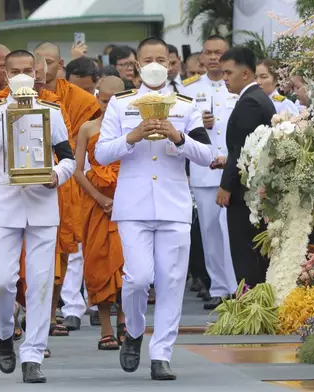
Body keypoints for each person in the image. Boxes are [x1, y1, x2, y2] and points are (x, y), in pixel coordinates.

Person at [95, 37, 213, 380]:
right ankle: (133, 331)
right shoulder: (120, 105)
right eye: (148, 59)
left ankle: (161, 353)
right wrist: (132, 137)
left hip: (173, 205)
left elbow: (205, 155)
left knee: (171, 281)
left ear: (171, 63)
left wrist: (178, 137)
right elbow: (101, 154)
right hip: (133, 205)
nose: (155, 64)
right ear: (136, 65)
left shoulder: (186, 105)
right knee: (137, 279)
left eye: (161, 58)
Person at [0, 50, 75, 383]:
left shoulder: (52, 111)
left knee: (41, 285)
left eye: (28, 71)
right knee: (0, 281)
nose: (22, 76)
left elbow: (69, 158)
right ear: (4, 73)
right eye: (15, 71)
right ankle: (3, 334)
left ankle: (32, 355)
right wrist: (9, 120)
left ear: (37, 73)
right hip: (5, 206)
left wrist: (56, 175)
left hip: (43, 205)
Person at [35, 41, 102, 334]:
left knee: (63, 251)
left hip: (65, 180)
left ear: (60, 65)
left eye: (50, 62)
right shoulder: (10, 98)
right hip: (23, 180)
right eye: (39, 62)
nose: (44, 68)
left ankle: (50, 314)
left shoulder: (78, 99)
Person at [180, 35, 238, 310]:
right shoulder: (189, 88)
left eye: (219, 52)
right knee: (210, 231)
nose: (213, 58)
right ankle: (218, 287)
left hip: (233, 168)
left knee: (234, 231)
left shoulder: (236, 85)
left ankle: (239, 285)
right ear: (201, 56)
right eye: (209, 53)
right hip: (204, 171)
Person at [213, 47, 276, 287]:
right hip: (252, 187)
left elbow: (240, 149)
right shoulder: (256, 98)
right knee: (253, 252)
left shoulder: (250, 102)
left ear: (246, 74)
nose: (225, 78)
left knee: (245, 252)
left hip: (244, 192)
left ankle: (251, 308)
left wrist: (225, 186)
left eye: (228, 73)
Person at [74, 75, 127, 350]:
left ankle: (125, 321)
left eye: (113, 101)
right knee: (97, 264)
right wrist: (99, 198)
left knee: (126, 266)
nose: (108, 107)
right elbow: (77, 169)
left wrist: (121, 200)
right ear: (97, 98)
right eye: (104, 101)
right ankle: (106, 326)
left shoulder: (132, 130)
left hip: (127, 205)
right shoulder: (87, 129)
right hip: (95, 205)